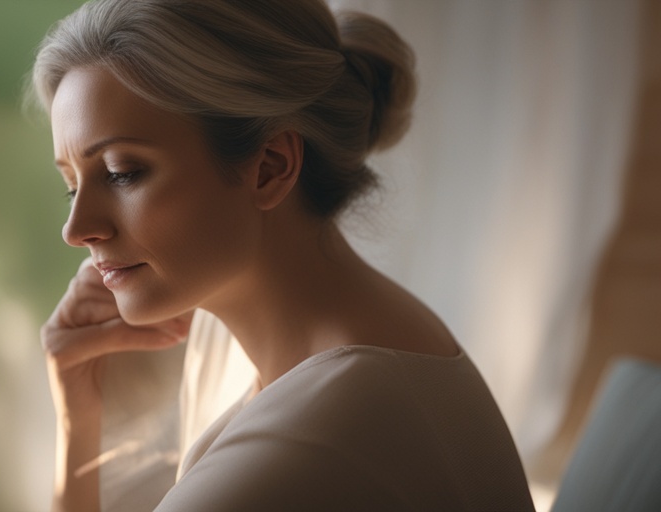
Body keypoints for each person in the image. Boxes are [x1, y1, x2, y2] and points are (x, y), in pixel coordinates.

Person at [31, 0, 536, 510]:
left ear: (271, 167)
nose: (77, 230)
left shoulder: (324, 432)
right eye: (72, 186)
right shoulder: (342, 341)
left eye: (122, 172)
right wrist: (79, 410)